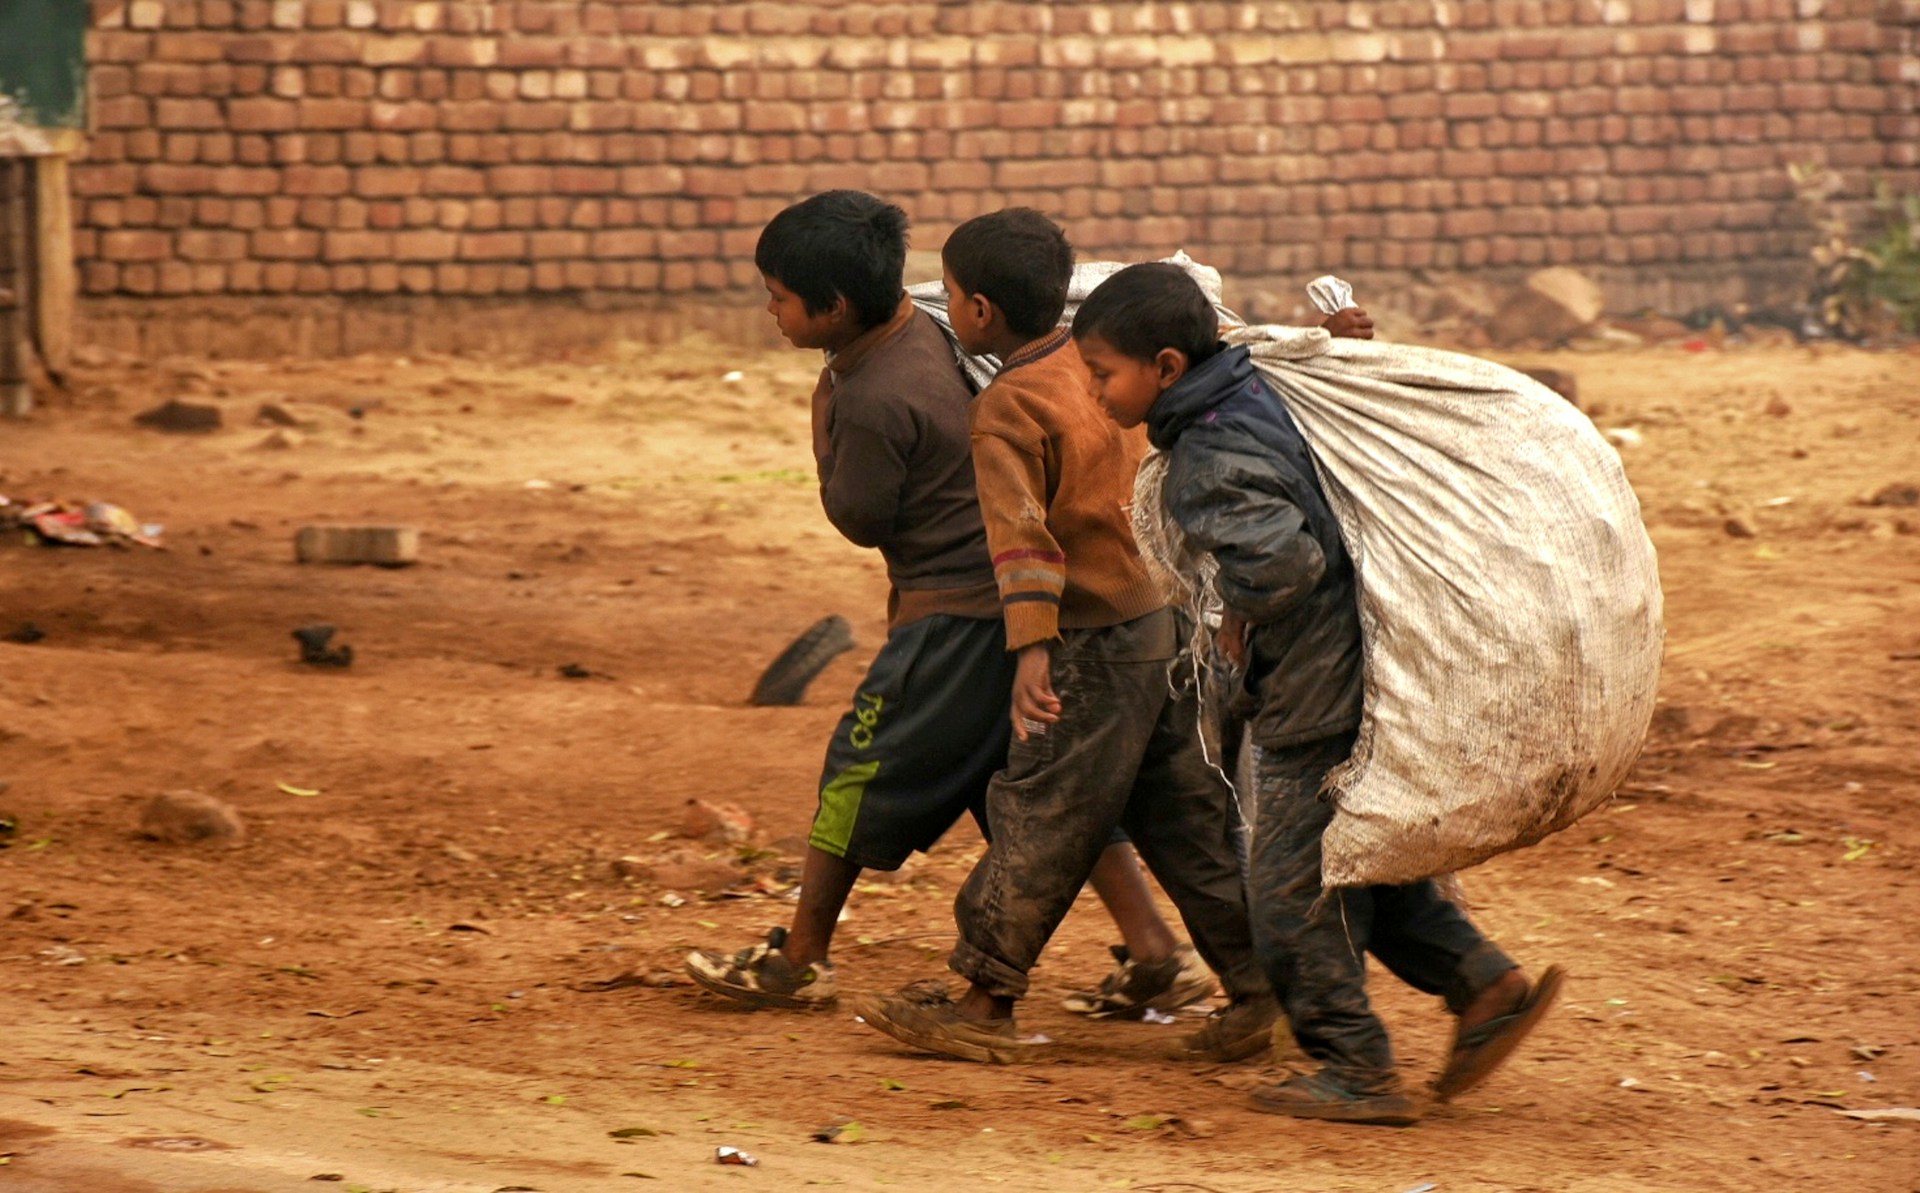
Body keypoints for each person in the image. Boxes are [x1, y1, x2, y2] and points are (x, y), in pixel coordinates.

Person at [684, 191, 1213, 1018]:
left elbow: (859, 517)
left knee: (857, 766)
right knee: (1027, 780)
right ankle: (1155, 952)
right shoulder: (929, 327)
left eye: (779, 297)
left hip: (957, 615)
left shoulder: (869, 394)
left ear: (834, 307)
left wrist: (825, 410)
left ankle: (799, 957)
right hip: (1019, 608)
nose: (770, 310)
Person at [1071, 261, 1565, 1126]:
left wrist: (1234, 610)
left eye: (1103, 373)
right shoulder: (1260, 385)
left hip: (1315, 686)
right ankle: (1484, 983)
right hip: (1371, 665)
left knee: (1289, 885)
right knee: (1351, 857)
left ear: (1166, 367)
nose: (1094, 390)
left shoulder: (1207, 452)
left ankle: (1353, 1064)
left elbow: (1283, 563)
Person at [853, 209, 1278, 1064]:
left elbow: (1023, 541)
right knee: (1185, 818)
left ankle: (982, 998)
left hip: (1093, 642)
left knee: (1042, 809)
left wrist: (1032, 651)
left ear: (974, 312)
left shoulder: (1010, 405)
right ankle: (1262, 986)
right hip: (1161, 623)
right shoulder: (1104, 373)